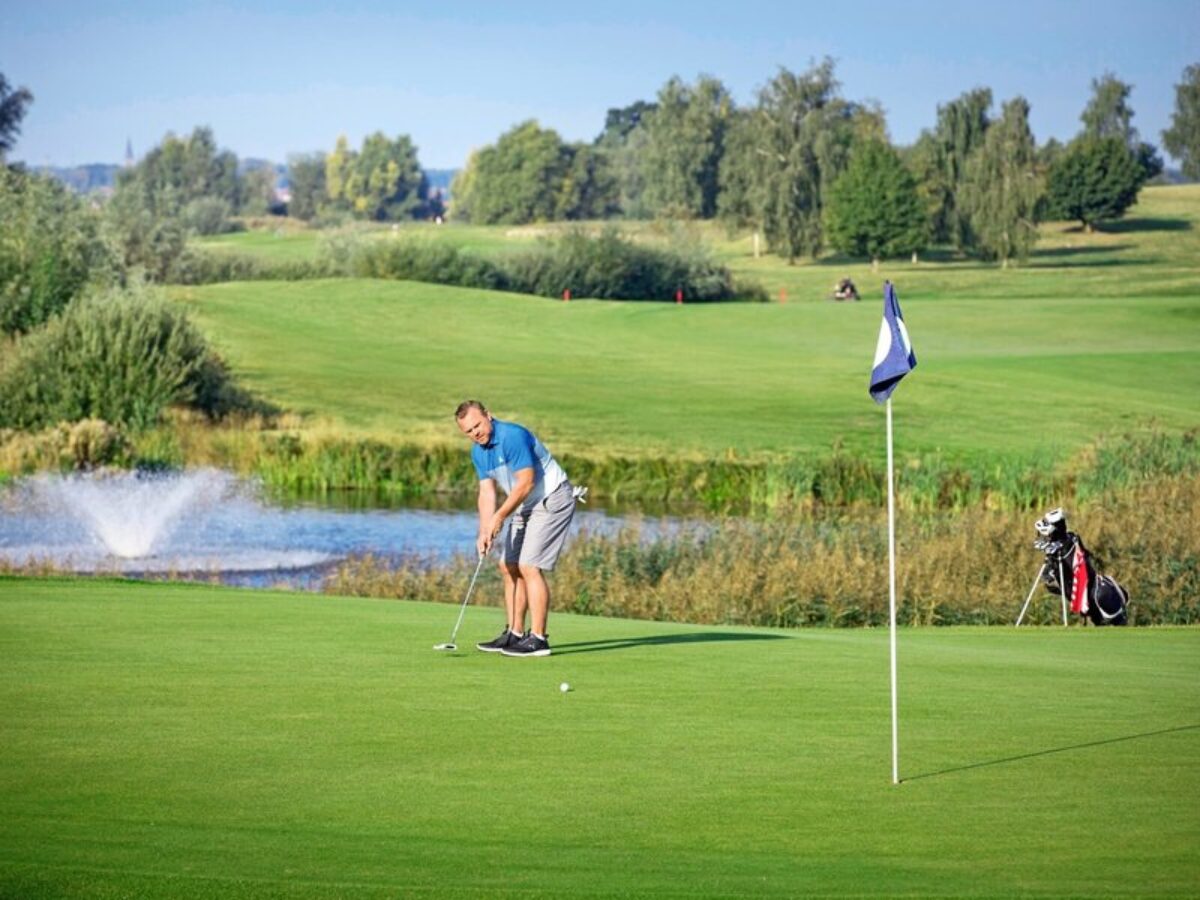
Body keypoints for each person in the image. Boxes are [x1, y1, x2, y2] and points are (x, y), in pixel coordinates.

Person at [454, 400, 579, 657]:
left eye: (477, 425)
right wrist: (484, 530)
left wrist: (500, 516)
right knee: (508, 565)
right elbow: (487, 493)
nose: (475, 433)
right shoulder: (478, 453)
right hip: (526, 503)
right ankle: (515, 633)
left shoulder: (512, 436)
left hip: (552, 498)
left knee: (529, 566)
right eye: (468, 431)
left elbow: (526, 483)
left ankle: (539, 639)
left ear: (488, 415)